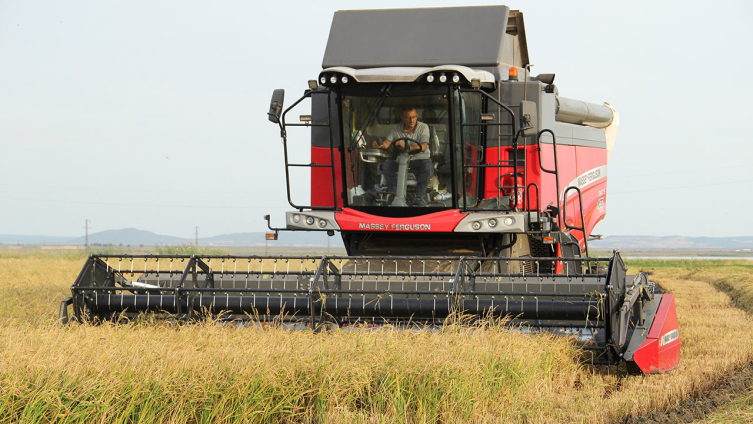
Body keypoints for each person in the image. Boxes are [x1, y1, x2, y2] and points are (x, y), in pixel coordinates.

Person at [372, 107, 433, 206]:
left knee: (428, 167)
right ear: (402, 118)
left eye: (413, 117)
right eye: (408, 118)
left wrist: (405, 146)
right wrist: (380, 146)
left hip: (419, 160)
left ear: (417, 116)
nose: (411, 120)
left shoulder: (424, 127)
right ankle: (394, 193)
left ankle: (419, 196)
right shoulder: (396, 128)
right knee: (386, 166)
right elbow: (387, 143)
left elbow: (423, 147)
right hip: (402, 160)